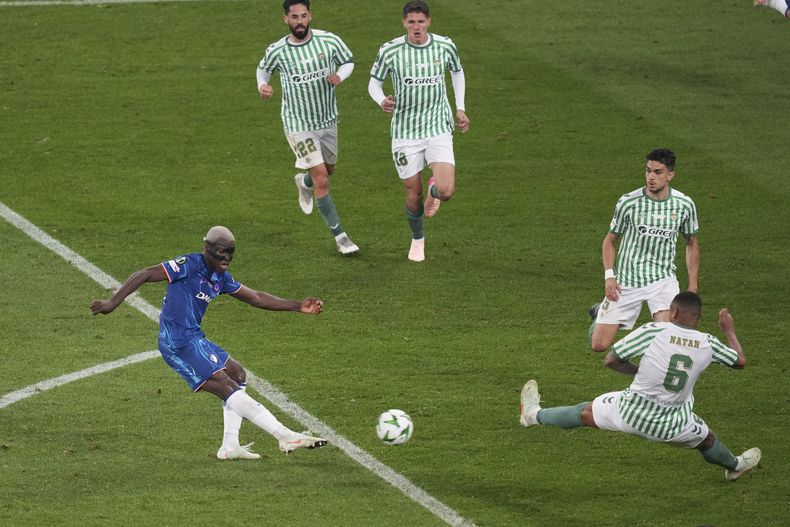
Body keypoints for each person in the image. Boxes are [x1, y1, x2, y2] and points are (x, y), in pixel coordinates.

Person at [90, 226, 328, 459]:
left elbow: (255, 297)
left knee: (237, 374)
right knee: (226, 386)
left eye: (231, 252)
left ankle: (230, 446)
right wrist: (113, 302)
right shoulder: (189, 265)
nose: (226, 258)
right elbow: (144, 273)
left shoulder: (220, 278)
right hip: (177, 342)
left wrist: (297, 306)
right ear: (207, 248)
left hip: (194, 337)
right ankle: (285, 435)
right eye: (222, 251)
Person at [521, 292, 761, 481]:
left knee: (583, 412)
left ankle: (532, 415)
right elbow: (739, 361)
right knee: (707, 440)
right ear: (698, 318)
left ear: (674, 312)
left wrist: (639, 372)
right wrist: (729, 331)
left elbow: (611, 360)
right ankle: (736, 467)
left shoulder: (654, 330)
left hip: (629, 411)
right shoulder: (707, 342)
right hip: (672, 425)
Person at [368, 0, 470, 262]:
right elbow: (373, 83)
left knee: (447, 191)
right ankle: (417, 239)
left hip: (437, 126)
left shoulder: (445, 46)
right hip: (405, 132)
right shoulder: (390, 50)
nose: (416, 27)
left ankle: (434, 189)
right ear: (404, 22)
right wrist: (382, 100)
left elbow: (457, 73)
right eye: (411, 22)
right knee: (413, 194)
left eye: (421, 21)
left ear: (429, 22)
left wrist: (460, 108)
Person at [257, 0, 359, 256]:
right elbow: (263, 69)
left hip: (327, 120)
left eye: (303, 16)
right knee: (322, 177)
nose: (300, 21)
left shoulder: (329, 41)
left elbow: (348, 61)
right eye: (294, 17)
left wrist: (340, 76)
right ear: (286, 19)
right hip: (298, 124)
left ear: (310, 16)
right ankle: (341, 237)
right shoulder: (278, 50)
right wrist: (263, 86)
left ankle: (303, 182)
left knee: (329, 169)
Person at [588, 148, 700, 352]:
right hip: (627, 281)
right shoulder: (628, 202)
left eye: (658, 172)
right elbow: (610, 240)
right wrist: (609, 276)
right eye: (648, 171)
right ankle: (599, 315)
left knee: (668, 337)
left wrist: (692, 286)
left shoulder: (684, 205)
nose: (651, 177)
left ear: (670, 175)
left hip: (662, 280)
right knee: (599, 345)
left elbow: (691, 241)